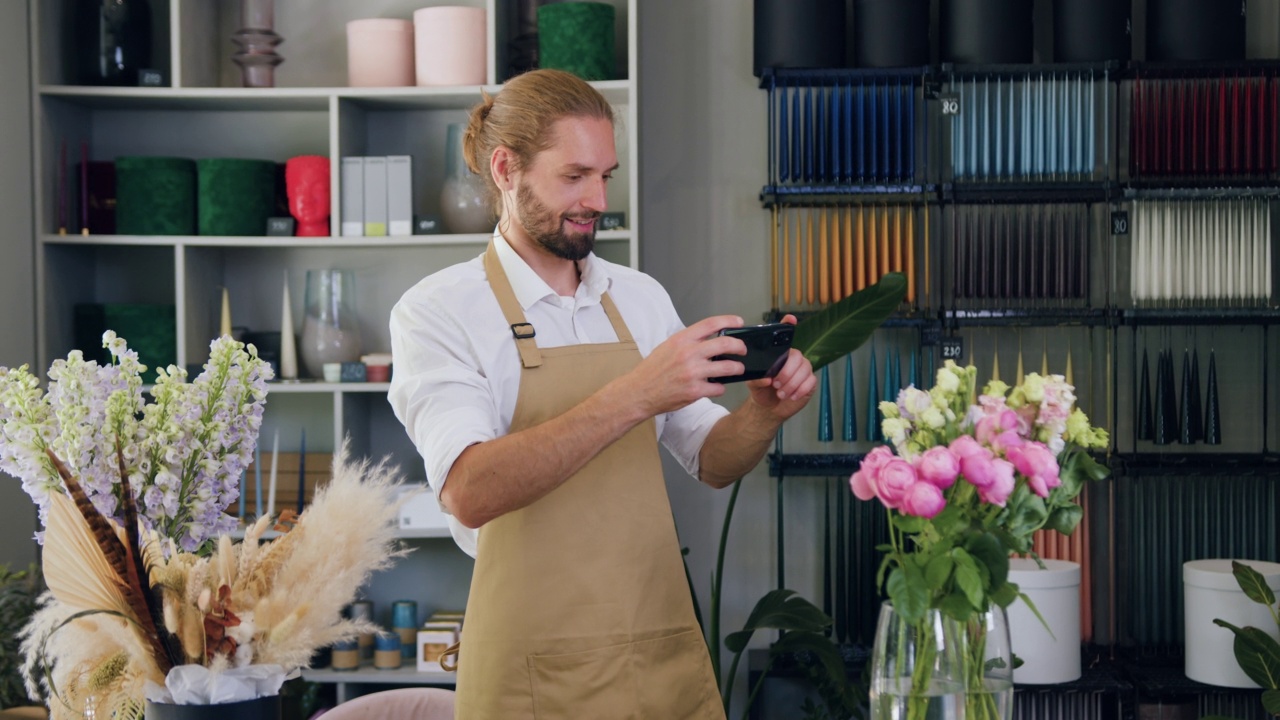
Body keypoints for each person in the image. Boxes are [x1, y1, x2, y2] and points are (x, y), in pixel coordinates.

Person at [387, 68, 816, 719]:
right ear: (506, 169)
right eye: (573, 176)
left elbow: (712, 460)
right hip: (528, 670)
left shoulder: (637, 298)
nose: (596, 197)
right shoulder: (437, 311)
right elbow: (469, 492)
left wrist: (764, 412)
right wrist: (636, 394)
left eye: (605, 175)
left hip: (655, 647)